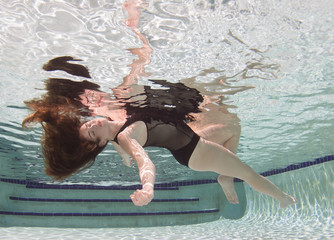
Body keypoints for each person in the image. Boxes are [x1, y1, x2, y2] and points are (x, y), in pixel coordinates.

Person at [22, 0, 297, 208]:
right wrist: (148, 188)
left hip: (190, 137)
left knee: (232, 129)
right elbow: (145, 162)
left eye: (86, 124)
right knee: (248, 172)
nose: (92, 122)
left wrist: (135, 31)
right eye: (92, 132)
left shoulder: (114, 135)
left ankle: (225, 177)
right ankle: (283, 198)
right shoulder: (126, 137)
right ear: (98, 144)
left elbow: (122, 149)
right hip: (194, 151)